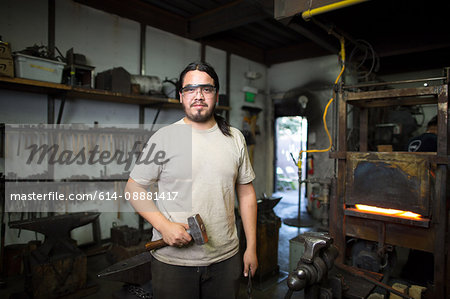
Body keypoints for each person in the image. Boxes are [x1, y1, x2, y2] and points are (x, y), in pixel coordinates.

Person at [125, 61, 258, 299]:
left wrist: (251, 247)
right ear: (181, 96)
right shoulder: (164, 138)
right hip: (173, 262)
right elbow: (133, 188)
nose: (199, 96)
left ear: (216, 95)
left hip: (225, 259)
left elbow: (246, 193)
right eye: (190, 89)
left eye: (206, 89)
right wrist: (164, 227)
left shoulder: (235, 138)